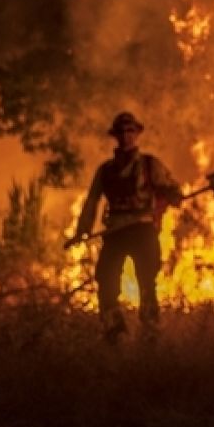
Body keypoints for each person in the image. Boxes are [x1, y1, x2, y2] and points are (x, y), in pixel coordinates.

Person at [74, 112, 183, 343]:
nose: (126, 136)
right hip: (115, 232)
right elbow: (92, 200)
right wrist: (82, 230)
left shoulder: (150, 165)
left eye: (130, 131)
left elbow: (173, 189)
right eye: (122, 132)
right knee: (106, 278)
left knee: (147, 281)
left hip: (143, 230)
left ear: (137, 134)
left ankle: (150, 332)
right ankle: (114, 332)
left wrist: (173, 196)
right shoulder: (105, 171)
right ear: (115, 136)